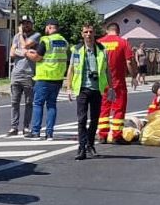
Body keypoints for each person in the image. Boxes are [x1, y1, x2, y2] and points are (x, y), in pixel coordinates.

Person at [65, 24, 112, 160]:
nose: (88, 34)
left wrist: (111, 88)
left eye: (90, 32)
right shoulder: (76, 49)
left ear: (94, 33)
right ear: (82, 34)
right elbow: (71, 69)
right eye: (86, 32)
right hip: (82, 88)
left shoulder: (102, 49)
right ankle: (81, 148)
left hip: (97, 88)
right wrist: (68, 87)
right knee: (82, 119)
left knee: (95, 119)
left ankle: (90, 145)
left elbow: (107, 70)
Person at [25, 18, 69, 140]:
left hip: (44, 77)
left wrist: (27, 53)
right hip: (58, 78)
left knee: (38, 104)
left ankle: (35, 131)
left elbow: (37, 57)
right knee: (52, 105)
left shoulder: (46, 40)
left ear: (49, 27)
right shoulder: (64, 41)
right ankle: (49, 133)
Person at [97, 22, 135, 144]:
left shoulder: (99, 43)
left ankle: (102, 135)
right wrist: (134, 76)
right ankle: (116, 135)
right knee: (118, 108)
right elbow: (129, 62)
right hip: (117, 82)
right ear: (118, 31)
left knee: (104, 108)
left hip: (102, 82)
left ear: (107, 30)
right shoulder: (123, 42)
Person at [8, 15, 41, 136]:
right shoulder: (16, 36)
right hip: (16, 73)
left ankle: (26, 127)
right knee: (14, 102)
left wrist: (22, 40)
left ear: (32, 24)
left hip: (29, 74)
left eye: (27, 23)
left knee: (28, 102)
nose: (25, 25)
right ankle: (14, 127)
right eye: (23, 23)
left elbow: (25, 45)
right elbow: (12, 53)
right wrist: (24, 52)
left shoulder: (36, 35)